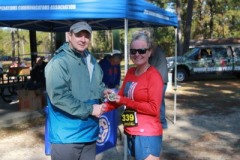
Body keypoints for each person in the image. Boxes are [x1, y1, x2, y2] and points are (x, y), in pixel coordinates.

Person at [44, 21, 106, 160]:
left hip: (90, 134)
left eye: (86, 36)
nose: (83, 39)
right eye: (79, 35)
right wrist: (90, 109)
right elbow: (59, 97)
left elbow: (97, 85)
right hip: (67, 136)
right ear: (69, 36)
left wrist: (104, 92)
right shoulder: (58, 63)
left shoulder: (91, 60)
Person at [103, 30, 164, 160]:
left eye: (141, 51)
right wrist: (103, 106)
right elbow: (119, 97)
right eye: (133, 51)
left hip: (147, 134)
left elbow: (153, 109)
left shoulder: (154, 76)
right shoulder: (130, 72)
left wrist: (125, 101)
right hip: (131, 130)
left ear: (149, 52)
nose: (137, 54)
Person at [149, 46, 169, 129]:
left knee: (159, 103)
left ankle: (162, 123)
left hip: (160, 81)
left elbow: (149, 67)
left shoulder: (156, 54)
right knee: (160, 102)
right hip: (162, 80)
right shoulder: (159, 51)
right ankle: (161, 122)